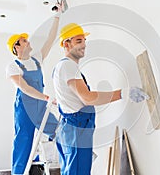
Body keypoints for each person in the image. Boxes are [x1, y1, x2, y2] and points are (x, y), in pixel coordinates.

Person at [52, 23, 149, 175]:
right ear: (66, 43)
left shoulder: (65, 67)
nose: (83, 44)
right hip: (76, 130)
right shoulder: (68, 66)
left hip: (72, 129)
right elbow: (88, 98)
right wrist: (123, 93)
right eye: (78, 41)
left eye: (84, 40)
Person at [5, 4, 63, 175]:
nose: (28, 41)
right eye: (24, 41)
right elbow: (24, 87)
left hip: (39, 107)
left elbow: (50, 40)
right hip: (24, 109)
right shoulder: (13, 66)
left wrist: (57, 17)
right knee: (23, 144)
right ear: (16, 47)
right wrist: (45, 97)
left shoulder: (36, 59)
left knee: (60, 131)